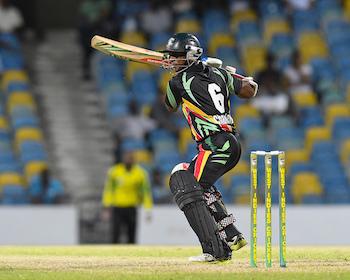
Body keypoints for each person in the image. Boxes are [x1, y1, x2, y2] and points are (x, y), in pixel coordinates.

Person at [160, 33, 257, 263]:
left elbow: (169, 106)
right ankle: (232, 235)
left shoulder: (176, 82)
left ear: (190, 57)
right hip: (229, 142)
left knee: (188, 187)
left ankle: (215, 250)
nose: (171, 62)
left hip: (215, 143)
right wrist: (230, 73)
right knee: (182, 173)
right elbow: (250, 89)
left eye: (176, 57)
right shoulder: (221, 74)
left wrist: (183, 77)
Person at [102, 149, 153, 244]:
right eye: (126, 157)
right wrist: (106, 205)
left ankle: (131, 255)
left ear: (133, 159)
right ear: (123, 158)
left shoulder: (140, 173)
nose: (128, 159)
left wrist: (148, 208)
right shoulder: (115, 171)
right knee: (115, 232)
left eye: (130, 157)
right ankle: (113, 253)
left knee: (131, 233)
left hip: (131, 207)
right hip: (118, 207)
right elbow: (109, 189)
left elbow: (146, 192)